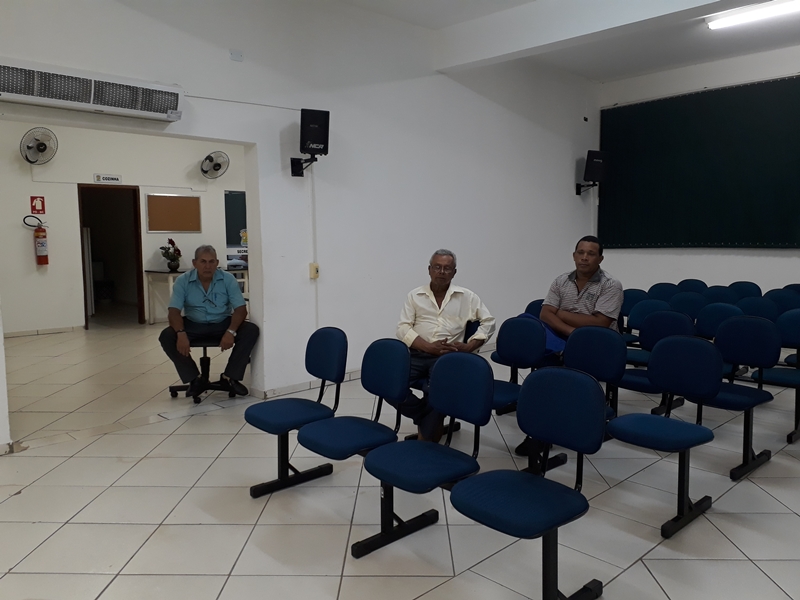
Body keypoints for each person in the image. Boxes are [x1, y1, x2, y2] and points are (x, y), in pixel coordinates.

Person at [516, 234, 622, 456]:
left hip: (596, 343)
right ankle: (540, 430)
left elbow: (600, 323)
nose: (584, 258)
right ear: (574, 256)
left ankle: (550, 430)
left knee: (552, 375)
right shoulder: (561, 280)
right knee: (527, 322)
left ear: (600, 259)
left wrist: (562, 314)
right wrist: (572, 332)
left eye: (591, 254)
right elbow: (545, 313)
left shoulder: (611, 285)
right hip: (567, 338)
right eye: (580, 253)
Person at [396, 249, 495, 442]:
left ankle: (427, 439)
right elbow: (403, 328)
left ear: (454, 272)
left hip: (447, 357)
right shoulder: (415, 295)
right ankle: (424, 416)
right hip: (417, 353)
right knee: (389, 382)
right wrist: (427, 347)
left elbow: (489, 322)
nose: (441, 272)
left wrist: (470, 346)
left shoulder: (467, 297)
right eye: (437, 267)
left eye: (447, 268)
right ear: (429, 269)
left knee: (438, 390)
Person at [159, 244, 260, 397]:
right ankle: (195, 379)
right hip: (193, 323)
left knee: (251, 330)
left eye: (211, 261)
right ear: (194, 263)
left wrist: (231, 331)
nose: (208, 266)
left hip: (222, 322)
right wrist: (180, 333)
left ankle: (229, 377)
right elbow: (173, 311)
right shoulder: (183, 281)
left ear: (217, 263)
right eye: (203, 261)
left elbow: (240, 309)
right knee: (167, 336)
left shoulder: (228, 279)